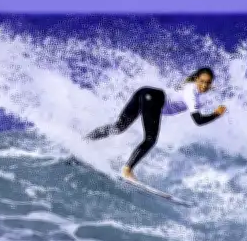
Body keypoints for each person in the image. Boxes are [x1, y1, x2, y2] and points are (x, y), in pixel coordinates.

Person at [84, 67, 227, 181]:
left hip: (144, 92)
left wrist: (209, 89)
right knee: (150, 139)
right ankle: (127, 170)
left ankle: (85, 140)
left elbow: (196, 89)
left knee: (119, 127)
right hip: (154, 99)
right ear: (196, 79)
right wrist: (216, 114)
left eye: (208, 83)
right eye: (202, 81)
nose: (204, 85)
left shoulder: (189, 85)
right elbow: (198, 120)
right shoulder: (192, 93)